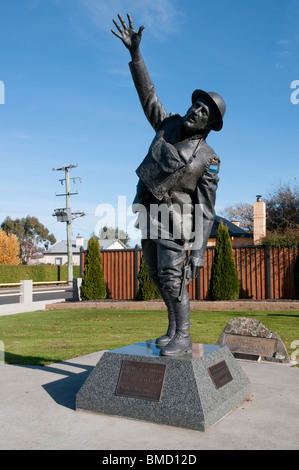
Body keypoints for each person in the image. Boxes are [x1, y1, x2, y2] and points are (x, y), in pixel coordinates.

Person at [112, 14, 226, 356]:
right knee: (156, 273)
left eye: (203, 111)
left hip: (177, 221)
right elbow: (148, 96)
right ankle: (174, 328)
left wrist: (198, 251)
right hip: (148, 209)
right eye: (196, 104)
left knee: (172, 278)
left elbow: (206, 209)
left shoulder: (208, 157)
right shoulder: (169, 125)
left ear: (210, 123)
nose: (195, 111)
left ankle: (184, 335)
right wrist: (136, 57)